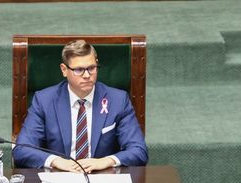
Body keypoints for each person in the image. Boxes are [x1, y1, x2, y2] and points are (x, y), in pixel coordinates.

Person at [12, 39, 147, 172]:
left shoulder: (117, 100)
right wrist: (56, 161)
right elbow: (22, 150)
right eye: (79, 70)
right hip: (59, 178)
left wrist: (105, 161)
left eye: (91, 68)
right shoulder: (44, 101)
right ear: (64, 70)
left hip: (102, 179)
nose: (87, 75)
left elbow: (139, 151)